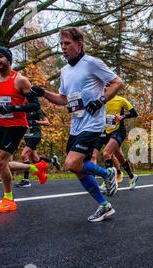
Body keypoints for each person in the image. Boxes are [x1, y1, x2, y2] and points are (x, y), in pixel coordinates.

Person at [30, 27, 123, 222]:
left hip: (93, 124)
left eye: (67, 43)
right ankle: (104, 205)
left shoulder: (92, 63)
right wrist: (43, 93)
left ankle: (107, 173)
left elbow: (117, 82)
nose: (63, 48)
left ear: (79, 45)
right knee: (77, 167)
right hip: (76, 125)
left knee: (70, 163)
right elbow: (63, 99)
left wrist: (101, 100)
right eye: (61, 44)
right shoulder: (65, 71)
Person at [0, 46, 48, 213]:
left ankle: (9, 200)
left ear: (9, 60)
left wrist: (13, 108)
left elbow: (34, 104)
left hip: (17, 126)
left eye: (0, 56)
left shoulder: (20, 80)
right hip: (1, 126)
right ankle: (36, 168)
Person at [93, 95, 139, 191]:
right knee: (119, 156)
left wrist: (122, 116)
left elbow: (135, 113)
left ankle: (109, 182)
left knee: (106, 153)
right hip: (105, 131)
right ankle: (132, 176)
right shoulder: (100, 100)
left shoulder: (121, 100)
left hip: (118, 131)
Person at [15, 108, 61, 188]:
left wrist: (34, 122)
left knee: (24, 155)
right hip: (27, 136)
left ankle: (26, 181)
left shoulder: (36, 108)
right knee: (35, 159)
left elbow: (47, 122)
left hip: (35, 135)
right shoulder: (22, 109)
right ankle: (53, 160)